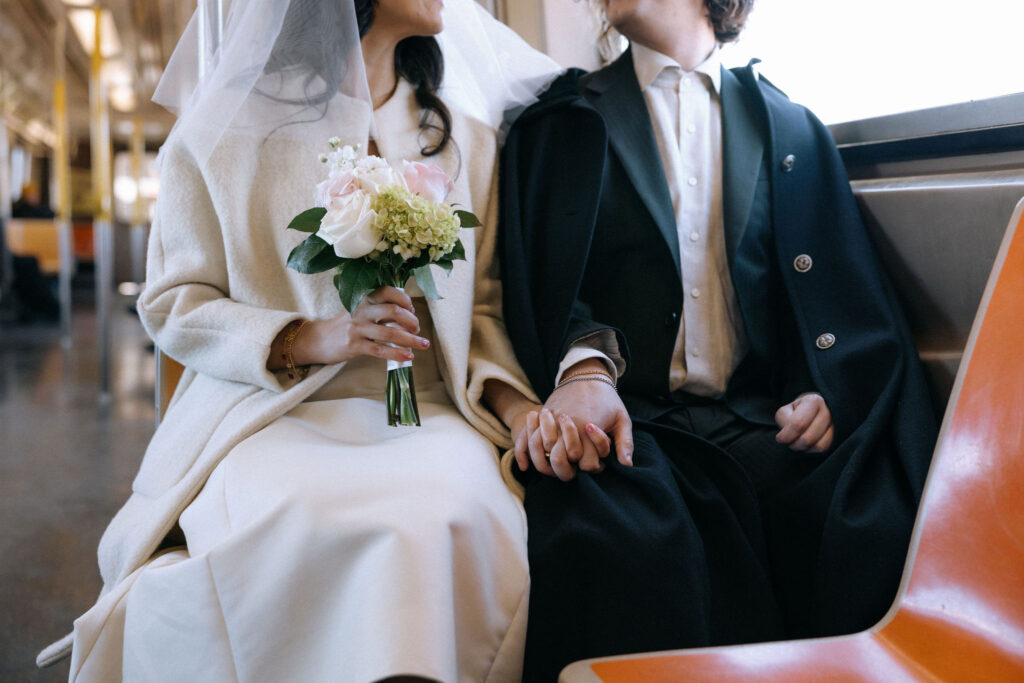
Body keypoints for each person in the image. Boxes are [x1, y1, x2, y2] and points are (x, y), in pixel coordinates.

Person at [37, 1, 560, 681]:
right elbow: (173, 301)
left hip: (428, 410)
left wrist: (519, 410)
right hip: (272, 413)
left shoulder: (464, 141)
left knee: (441, 510)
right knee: (298, 512)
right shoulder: (220, 133)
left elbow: (484, 310)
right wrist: (310, 335)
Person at [500, 0, 938, 678]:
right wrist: (586, 372)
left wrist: (816, 390)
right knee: (619, 541)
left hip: (755, 416)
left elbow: (822, 296)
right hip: (635, 424)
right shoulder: (566, 122)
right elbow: (553, 286)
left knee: (870, 520)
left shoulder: (787, 125)